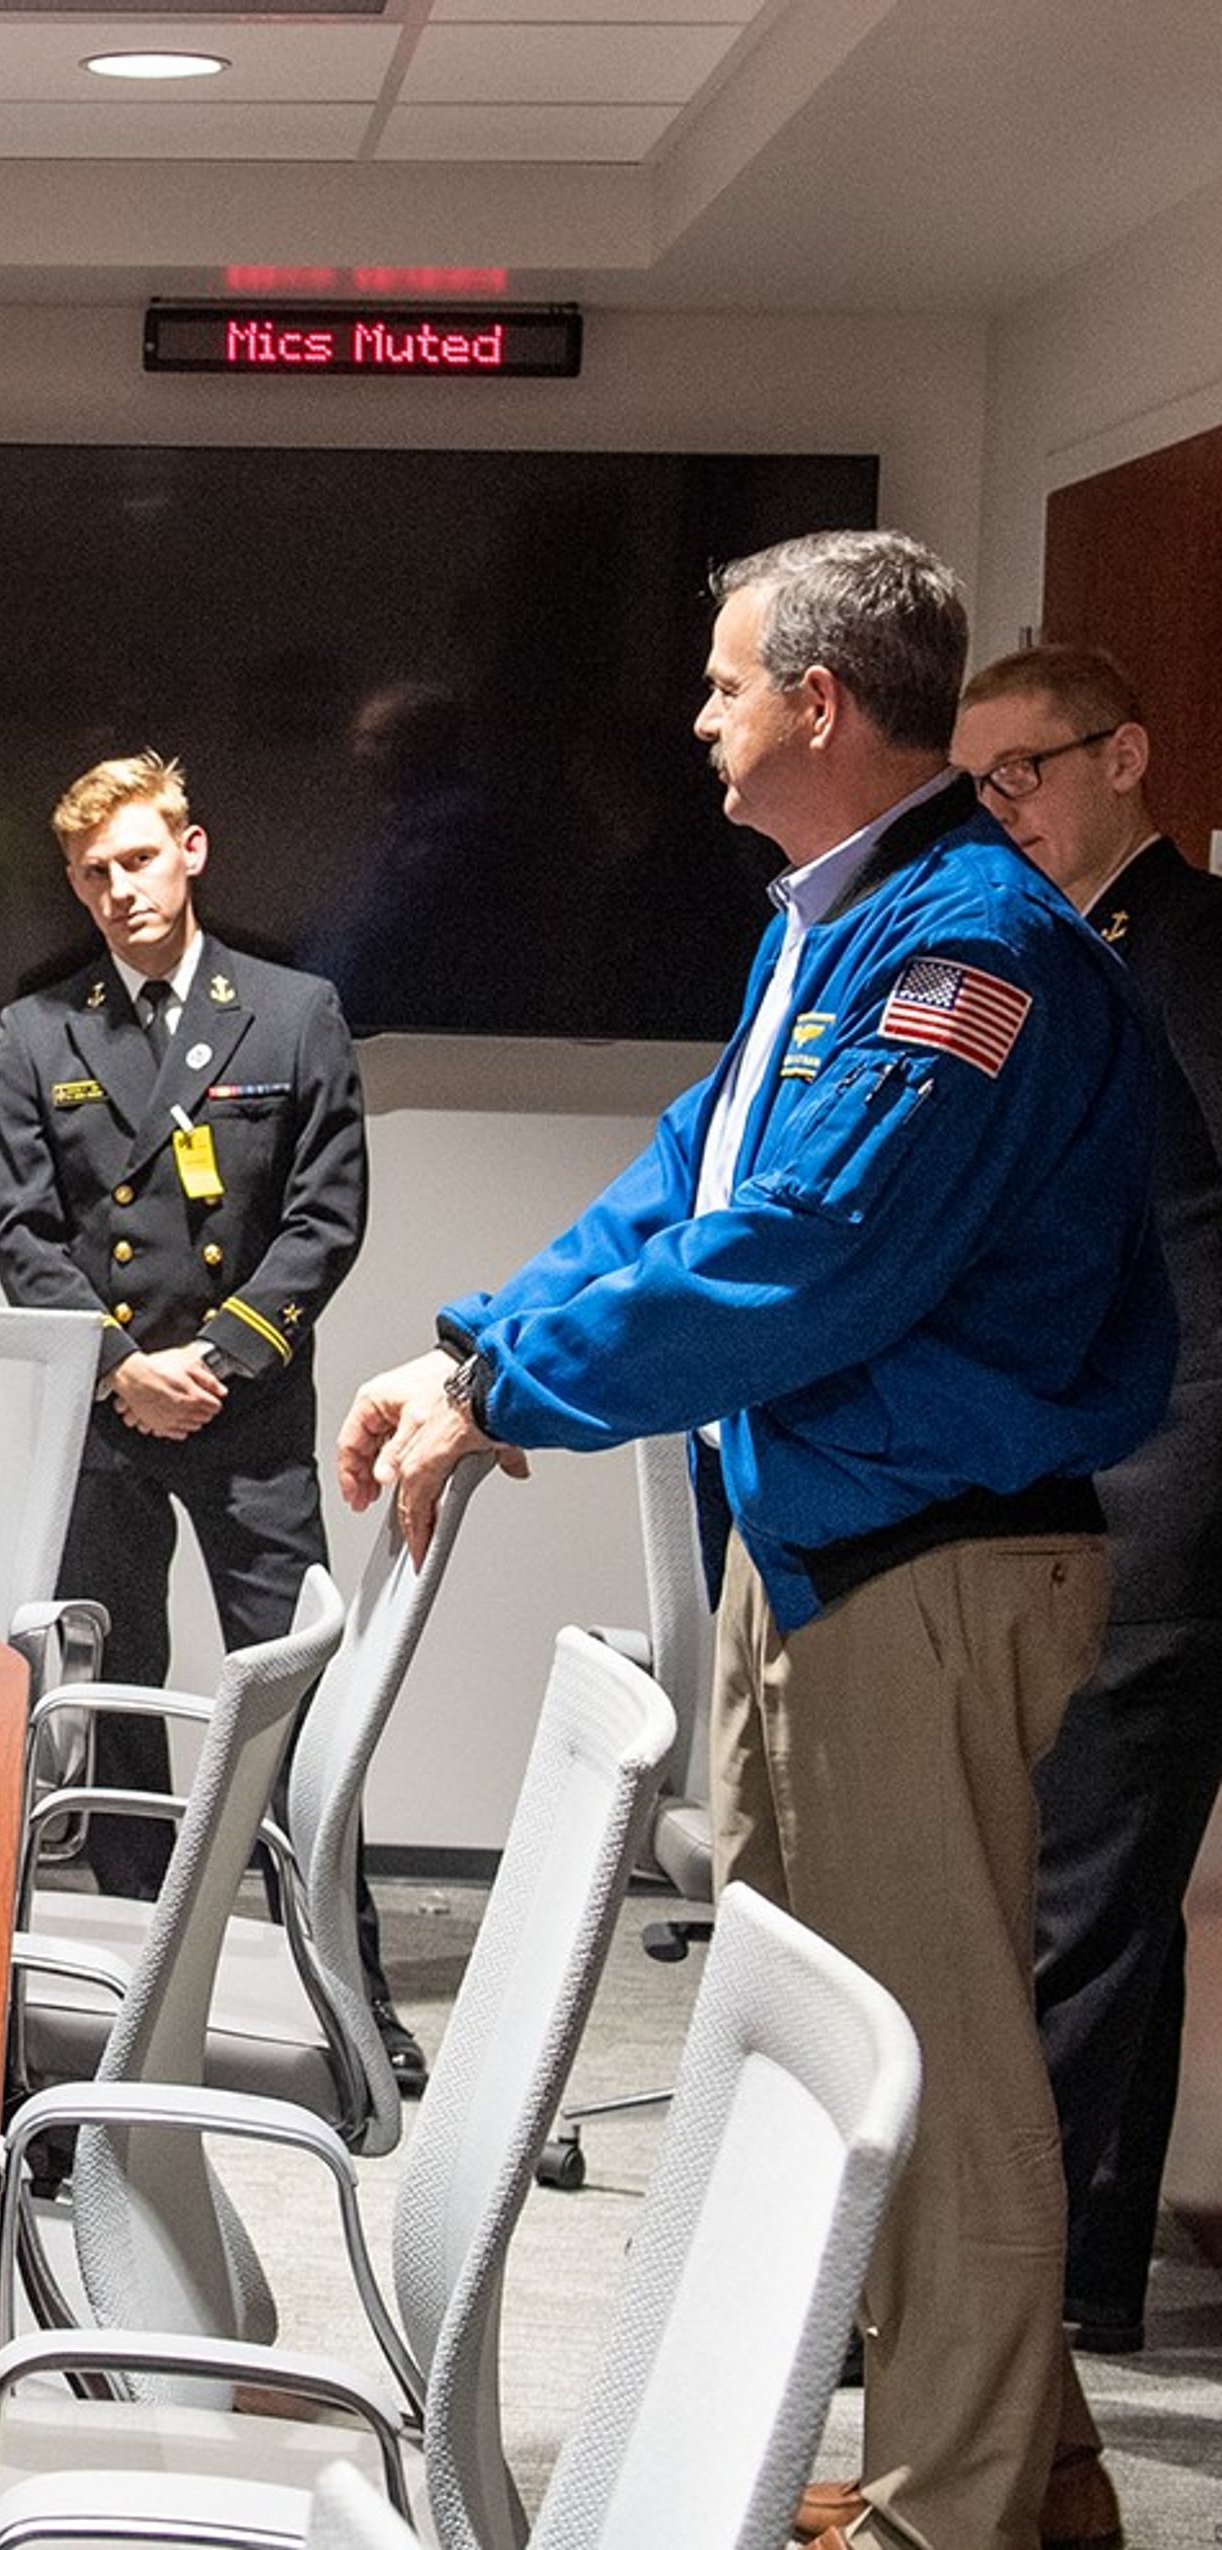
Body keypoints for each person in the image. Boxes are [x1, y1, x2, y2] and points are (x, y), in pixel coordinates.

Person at [340, 531, 1171, 2550]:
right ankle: (1023, 2471)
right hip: (822, 1547)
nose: (696, 716)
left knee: (927, 2065)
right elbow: (685, 1184)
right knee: (858, 2052)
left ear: (818, 703)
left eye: (725, 683)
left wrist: (513, 1395)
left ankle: (944, 2512)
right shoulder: (832, 920)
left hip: (932, 1559)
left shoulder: (970, 947)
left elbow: (807, 1264)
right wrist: (479, 1347)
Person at [0, 754, 394, 2070]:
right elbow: (23, 1233)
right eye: (97, 871)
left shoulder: (291, 1010)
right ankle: (139, 1987)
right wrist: (122, 1367)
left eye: (142, 857)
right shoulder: (38, 1030)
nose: (121, 887)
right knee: (116, 1698)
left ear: (193, 850)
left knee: (296, 1712)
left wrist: (216, 1357)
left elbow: (327, 1213)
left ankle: (348, 1994)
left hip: (250, 1408)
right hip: (109, 1417)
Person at [954, 644, 1222, 2362]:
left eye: (1024, 775)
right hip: (1100, 1460)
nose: (1000, 814)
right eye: (972, 786)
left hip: (1171, 1476)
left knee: (1073, 1893)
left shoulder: (1197, 952)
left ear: (1125, 756)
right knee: (1111, 1896)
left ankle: (1006, 2301)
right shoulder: (1066, 947)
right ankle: (1085, 2272)